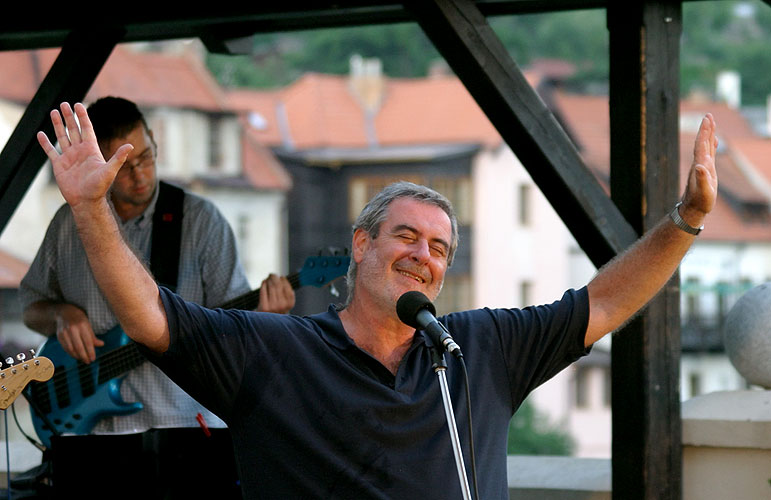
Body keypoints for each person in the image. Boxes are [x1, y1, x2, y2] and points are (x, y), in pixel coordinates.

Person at [37, 101, 718, 499]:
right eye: (405, 236)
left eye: (439, 249)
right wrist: (92, 208)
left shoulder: (478, 347)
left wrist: (684, 220)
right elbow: (148, 315)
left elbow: (602, 302)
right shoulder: (277, 349)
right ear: (359, 245)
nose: (422, 255)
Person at [20, 96, 295, 435]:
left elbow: (234, 331)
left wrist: (268, 319)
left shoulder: (201, 222)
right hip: (92, 434)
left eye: (145, 156)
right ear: (99, 164)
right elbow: (30, 308)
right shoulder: (68, 224)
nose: (140, 174)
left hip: (182, 426)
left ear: (151, 136)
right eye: (123, 166)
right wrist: (60, 315)